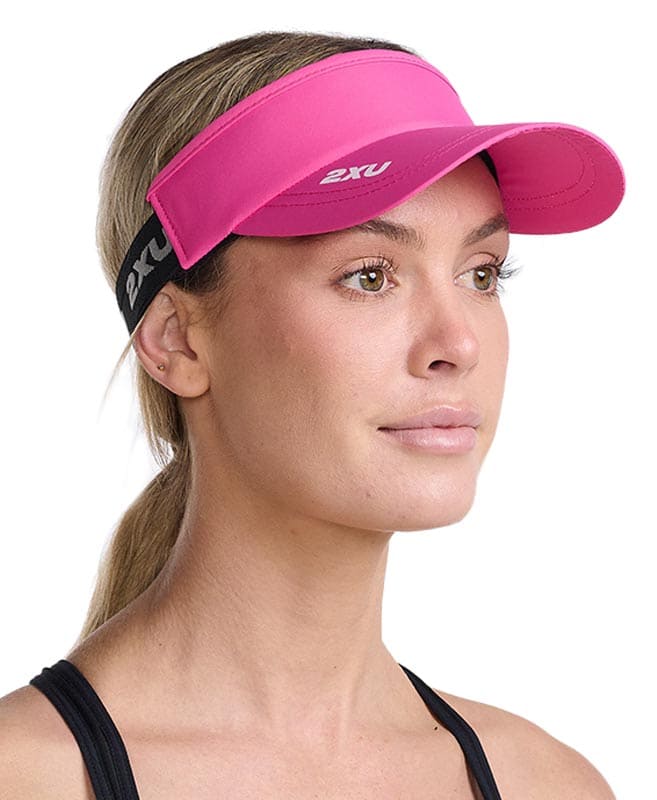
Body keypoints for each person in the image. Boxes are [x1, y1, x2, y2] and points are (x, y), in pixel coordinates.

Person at [0, 30, 624, 799]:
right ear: (177, 339)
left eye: (482, 273)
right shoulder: (26, 776)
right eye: (370, 276)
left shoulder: (548, 785)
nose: (459, 343)